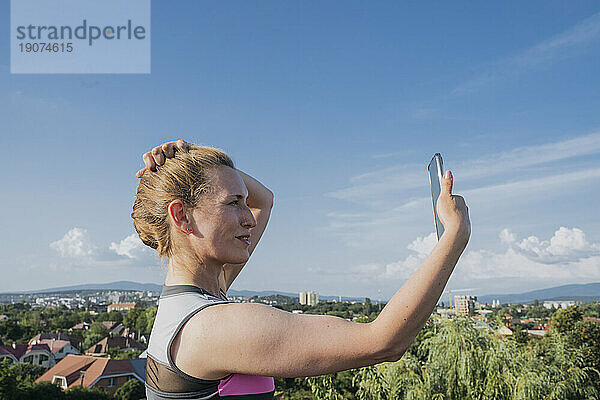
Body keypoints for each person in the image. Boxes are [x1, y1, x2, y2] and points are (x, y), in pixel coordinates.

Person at [132, 140, 471, 399]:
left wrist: (191, 155)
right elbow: (383, 342)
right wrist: (454, 237)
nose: (249, 217)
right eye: (233, 202)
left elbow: (264, 199)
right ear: (181, 216)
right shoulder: (210, 328)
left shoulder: (199, 298)